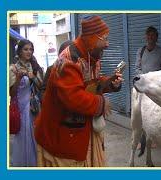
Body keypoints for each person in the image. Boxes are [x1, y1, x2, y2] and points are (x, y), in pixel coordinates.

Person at [34, 15, 123, 167]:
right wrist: (101, 103)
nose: (107, 44)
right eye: (105, 39)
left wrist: (110, 83)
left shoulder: (91, 55)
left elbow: (90, 83)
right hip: (61, 138)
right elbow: (73, 97)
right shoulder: (68, 61)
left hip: (81, 131)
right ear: (93, 39)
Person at [9, 39, 44, 167]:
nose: (29, 52)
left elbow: (42, 86)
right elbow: (11, 94)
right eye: (26, 49)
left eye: (31, 49)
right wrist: (18, 78)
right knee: (23, 137)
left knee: (35, 136)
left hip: (34, 108)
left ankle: (36, 163)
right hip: (21, 108)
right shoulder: (12, 69)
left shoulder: (35, 66)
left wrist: (33, 77)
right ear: (19, 51)